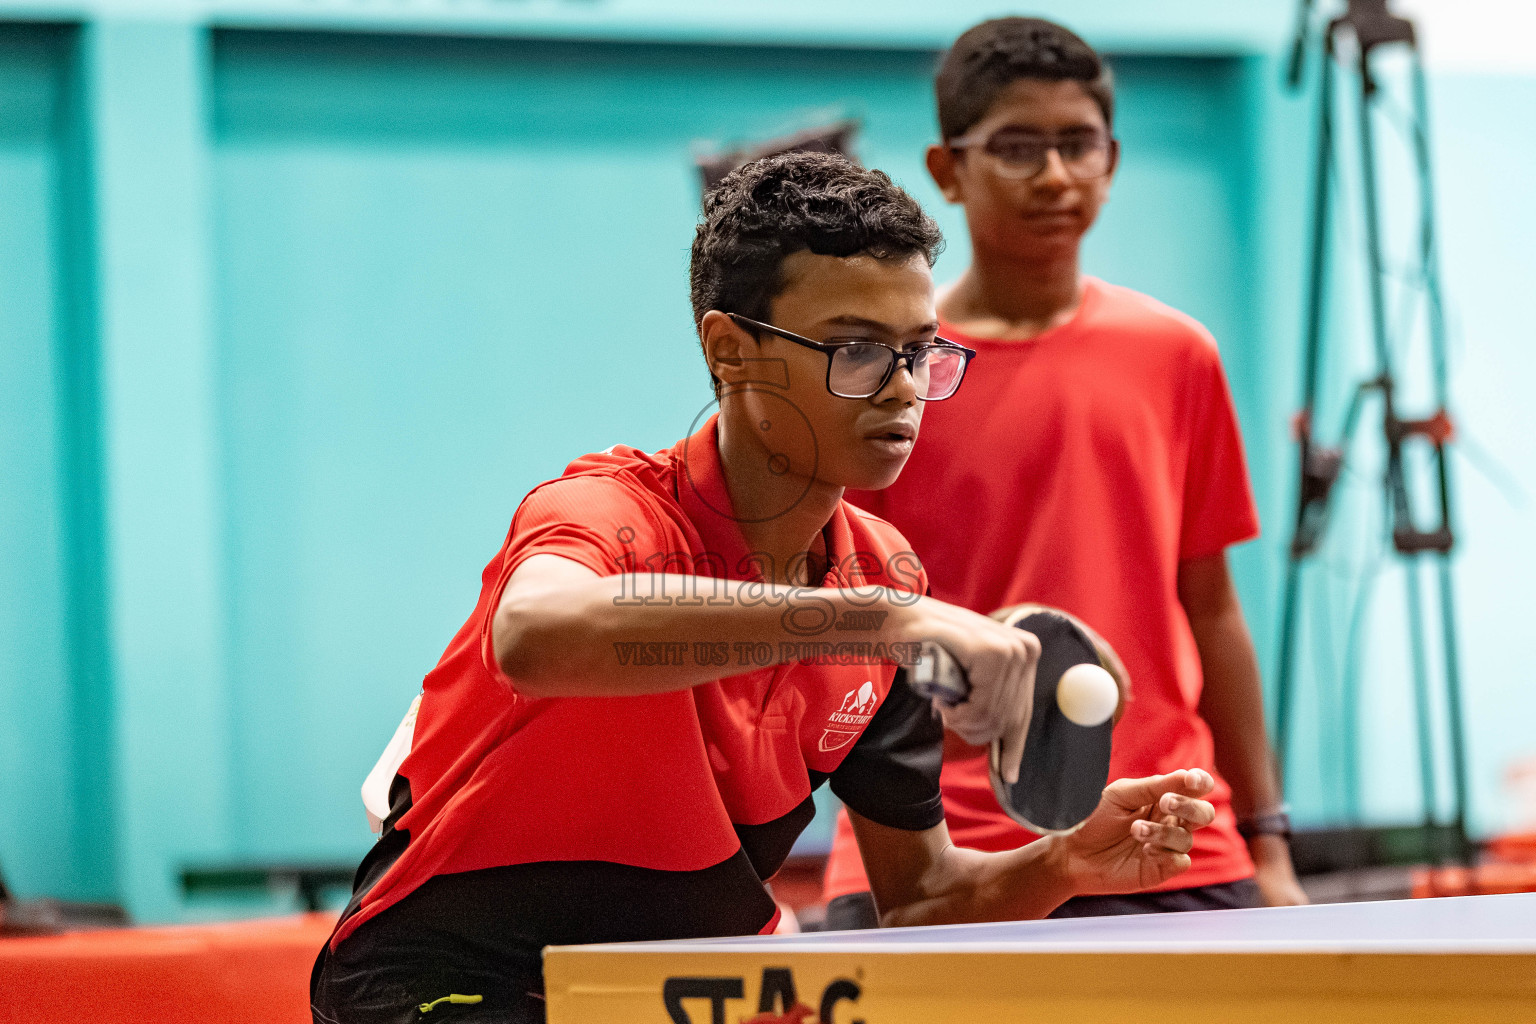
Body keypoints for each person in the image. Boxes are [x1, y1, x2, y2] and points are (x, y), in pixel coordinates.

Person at [311, 151, 1217, 1024]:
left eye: (918, 352)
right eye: (856, 350)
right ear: (731, 350)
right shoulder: (610, 512)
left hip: (675, 990)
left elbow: (921, 898)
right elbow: (535, 638)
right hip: (452, 983)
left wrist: (1063, 864)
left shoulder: (882, 577)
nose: (902, 388)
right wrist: (872, 621)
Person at [821, 17, 1306, 928]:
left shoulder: (1177, 354)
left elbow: (1211, 608)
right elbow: (836, 619)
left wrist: (1269, 843)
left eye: (1077, 145)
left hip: (1172, 838)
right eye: (1016, 148)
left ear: (1109, 161)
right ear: (947, 169)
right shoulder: (888, 372)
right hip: (934, 854)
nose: (1053, 176)